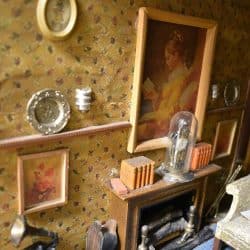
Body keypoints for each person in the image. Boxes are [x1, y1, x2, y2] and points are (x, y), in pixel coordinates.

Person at [138, 30, 198, 142]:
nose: (166, 62)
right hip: (162, 120)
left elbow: (170, 112)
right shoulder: (174, 76)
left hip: (166, 125)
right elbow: (165, 105)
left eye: (168, 58)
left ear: (176, 55)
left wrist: (148, 116)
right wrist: (155, 97)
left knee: (142, 125)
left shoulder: (181, 79)